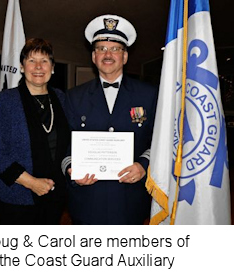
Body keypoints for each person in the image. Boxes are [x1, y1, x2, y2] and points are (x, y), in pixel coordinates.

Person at [61, 15, 158, 225]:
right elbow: (63, 143)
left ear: (125, 57)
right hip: (87, 200)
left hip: (130, 199)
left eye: (115, 49)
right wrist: (71, 168)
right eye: (101, 48)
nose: (108, 54)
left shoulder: (149, 94)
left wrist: (144, 165)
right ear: (94, 57)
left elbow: (161, 139)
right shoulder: (74, 96)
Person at [0, 38, 70, 224]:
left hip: (54, 194)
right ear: (22, 67)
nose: (38, 66)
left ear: (52, 67)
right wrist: (31, 183)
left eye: (44, 61)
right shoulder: (5, 101)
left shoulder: (62, 99)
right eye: (31, 60)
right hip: (15, 197)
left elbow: (70, 142)